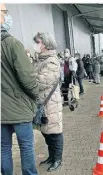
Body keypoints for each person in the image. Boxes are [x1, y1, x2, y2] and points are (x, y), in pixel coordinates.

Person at [1, 4, 39, 175]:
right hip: (19, 107)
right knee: (26, 147)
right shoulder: (12, 44)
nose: (8, 15)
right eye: (5, 12)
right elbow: (27, 78)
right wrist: (35, 95)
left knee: (3, 149)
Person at [33, 32, 63, 172]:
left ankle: (58, 159)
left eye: (37, 42)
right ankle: (51, 157)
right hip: (43, 103)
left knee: (54, 133)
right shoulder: (41, 59)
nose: (36, 45)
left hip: (50, 103)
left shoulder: (51, 61)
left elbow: (41, 81)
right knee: (46, 132)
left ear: (44, 44)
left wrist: (29, 76)